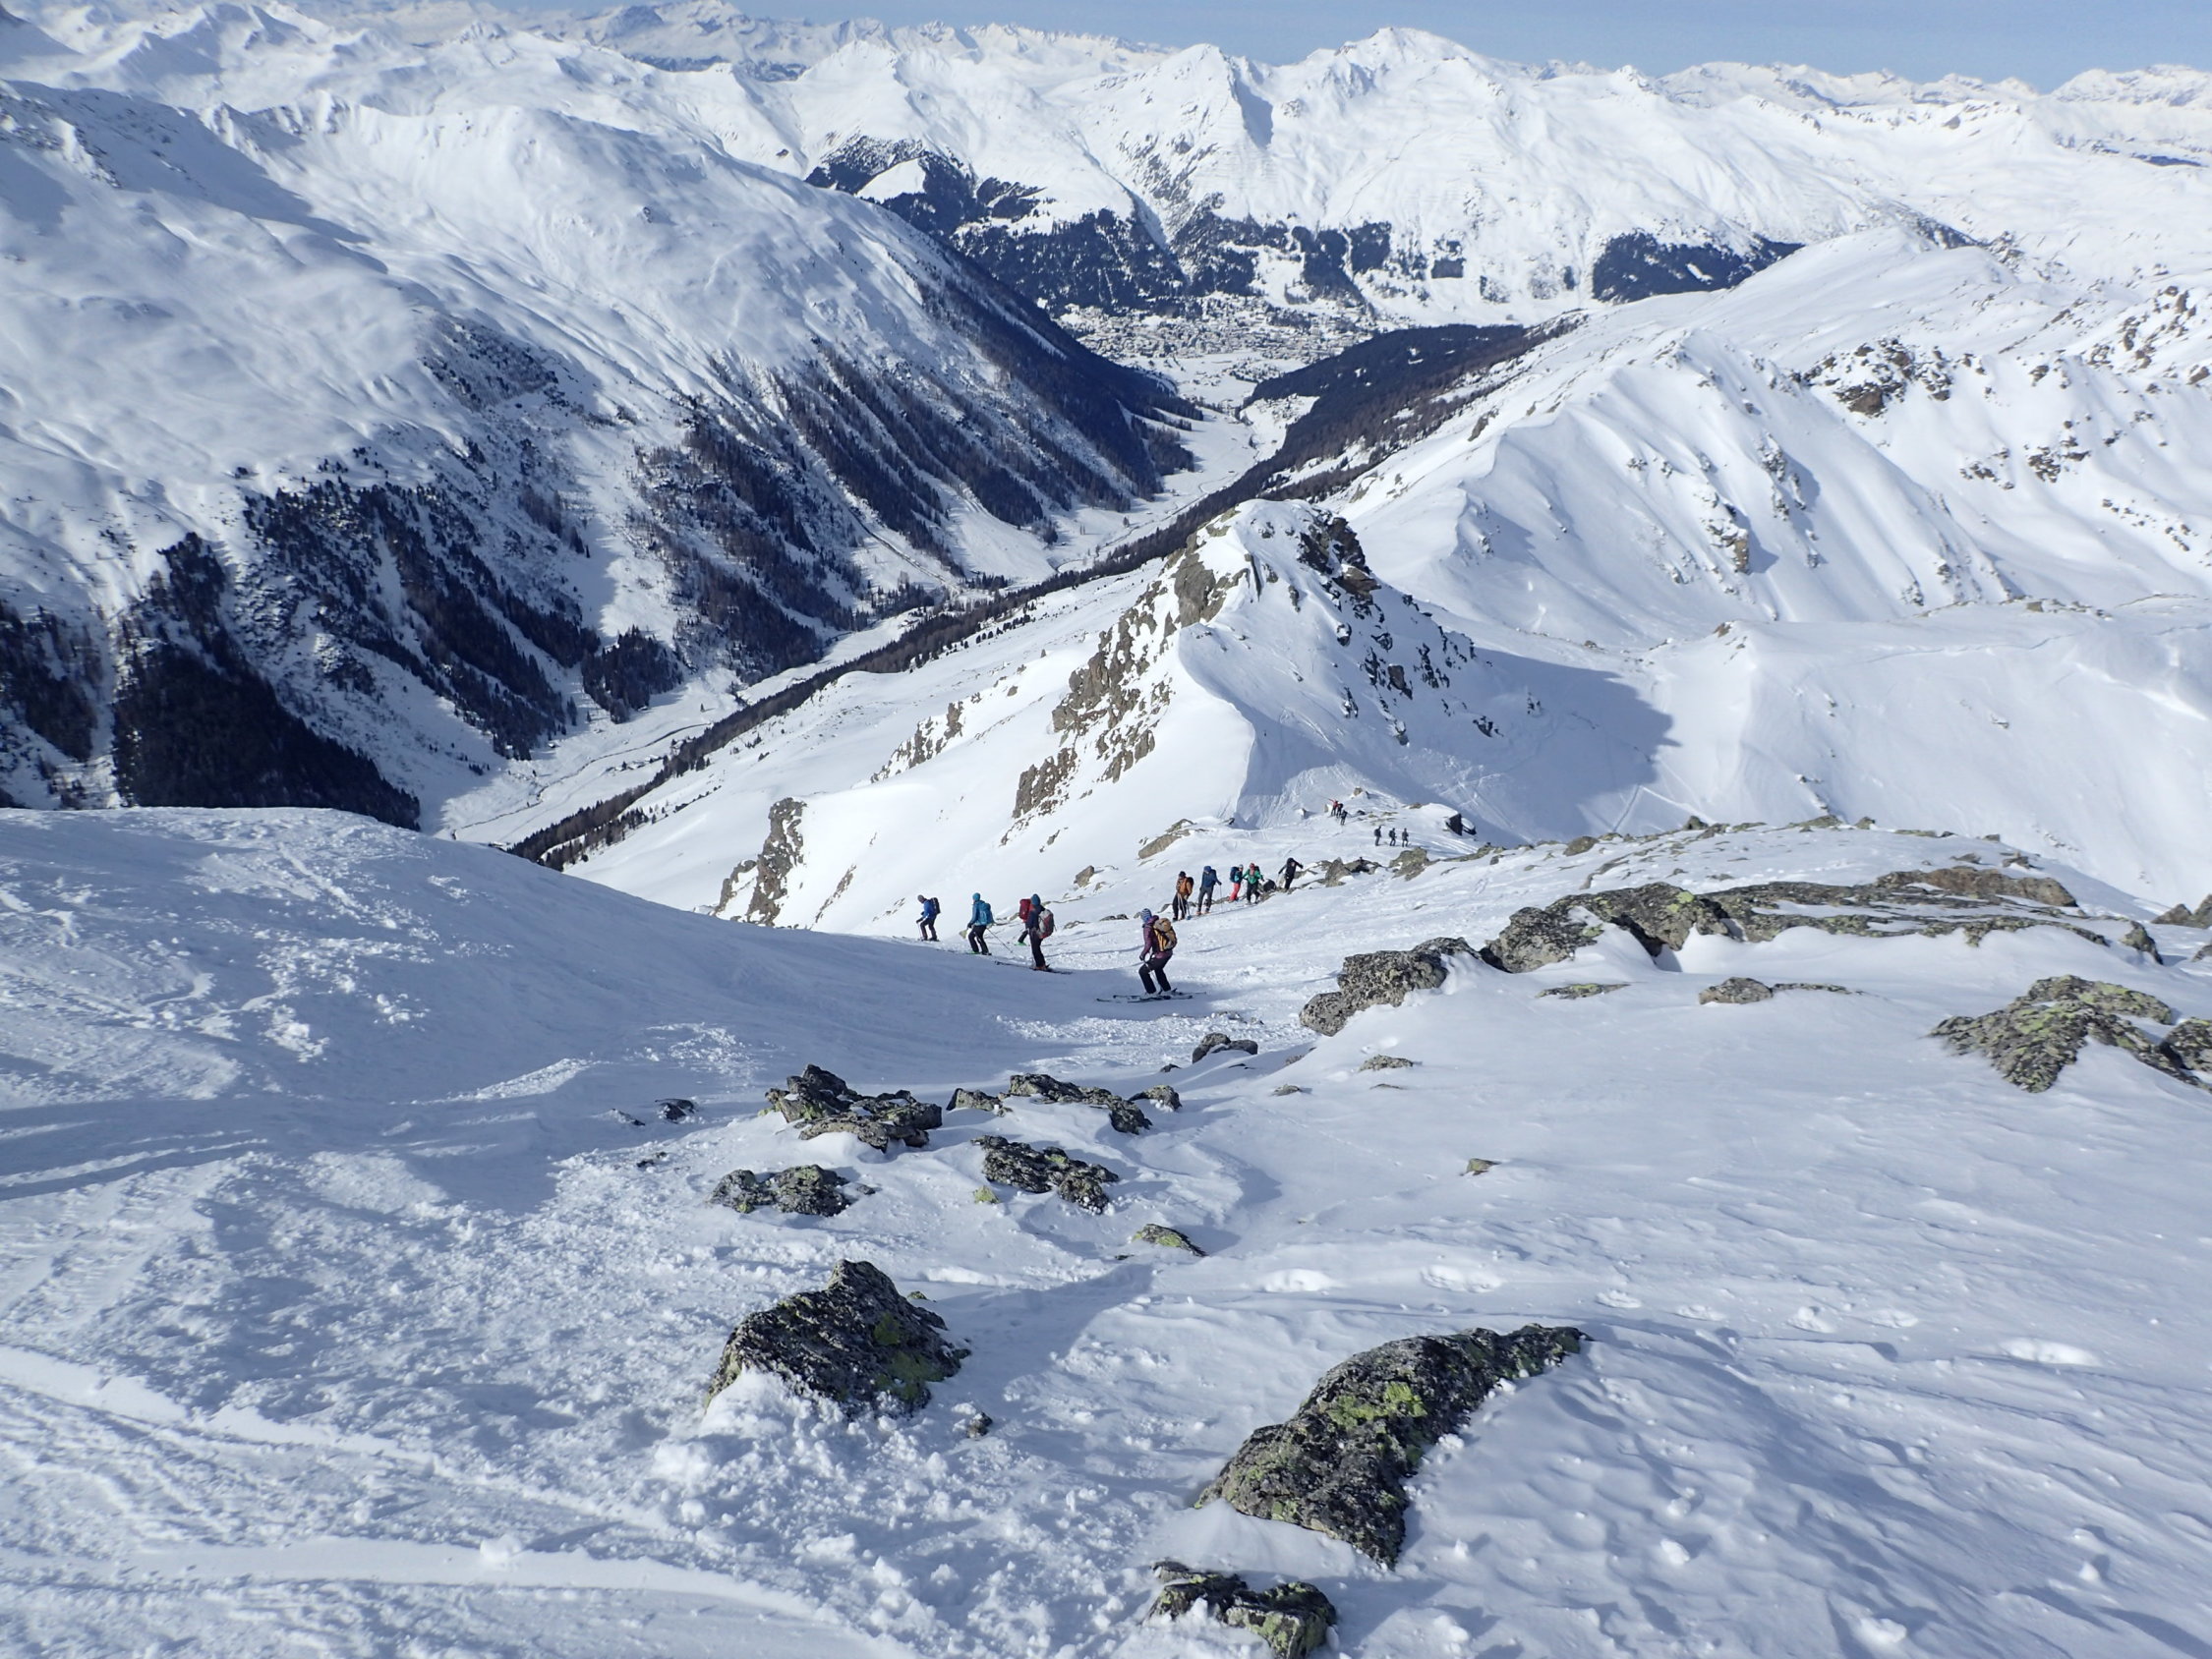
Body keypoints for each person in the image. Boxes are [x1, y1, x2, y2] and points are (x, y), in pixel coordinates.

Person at [1138, 908, 1177, 996]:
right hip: (1168, 952)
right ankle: (1166, 990)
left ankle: (1151, 992)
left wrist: (1143, 954)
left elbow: (1148, 944)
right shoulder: (1158, 923)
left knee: (1143, 971)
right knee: (1158, 969)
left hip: (1161, 955)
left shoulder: (1148, 927)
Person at [1021, 893, 1053, 970]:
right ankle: (1042, 964)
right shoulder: (1042, 908)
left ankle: (1039, 965)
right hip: (1042, 932)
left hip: (1035, 933)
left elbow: (1030, 924)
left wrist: (1026, 922)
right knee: (1038, 948)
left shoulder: (1033, 911)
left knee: (1035, 950)